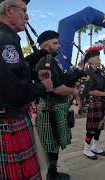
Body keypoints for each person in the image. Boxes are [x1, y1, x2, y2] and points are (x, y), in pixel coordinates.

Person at [0, 0, 52, 179]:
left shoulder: (0, 37)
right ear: (9, 11)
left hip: (7, 120)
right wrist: (43, 86)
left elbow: (16, 70)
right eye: (24, 10)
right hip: (9, 122)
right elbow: (15, 92)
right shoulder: (4, 40)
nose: (27, 16)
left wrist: (38, 60)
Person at [34, 30, 81, 180]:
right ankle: (51, 174)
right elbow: (56, 88)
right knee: (51, 144)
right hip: (51, 109)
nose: (59, 45)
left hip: (56, 107)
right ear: (46, 46)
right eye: (55, 43)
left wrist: (78, 73)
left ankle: (53, 172)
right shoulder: (45, 62)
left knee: (55, 143)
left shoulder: (53, 61)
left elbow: (63, 79)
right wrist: (74, 92)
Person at [82, 47, 105, 160]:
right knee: (92, 127)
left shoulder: (100, 72)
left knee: (99, 126)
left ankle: (95, 146)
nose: (100, 59)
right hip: (94, 103)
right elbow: (90, 91)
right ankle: (86, 148)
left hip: (102, 102)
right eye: (97, 58)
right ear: (91, 61)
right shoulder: (87, 73)